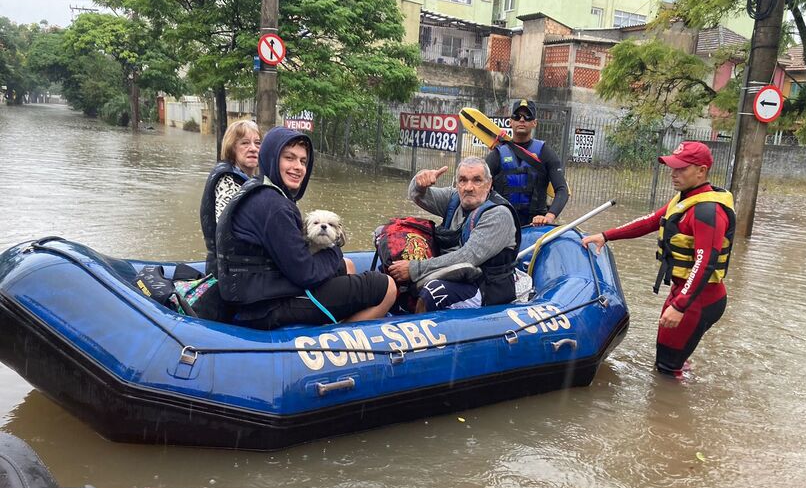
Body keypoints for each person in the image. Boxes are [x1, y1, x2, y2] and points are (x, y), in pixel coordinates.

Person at [214, 127, 396, 329]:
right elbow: (306, 274)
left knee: (348, 265)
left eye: (303, 161)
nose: (298, 167)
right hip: (265, 307)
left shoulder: (257, 188)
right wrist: (334, 248)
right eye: (289, 158)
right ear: (272, 158)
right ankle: (339, 341)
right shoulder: (274, 206)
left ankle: (341, 316)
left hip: (254, 293)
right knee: (387, 286)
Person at [581, 141, 735, 378]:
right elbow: (650, 221)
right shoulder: (685, 199)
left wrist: (680, 306)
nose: (673, 174)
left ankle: (673, 409)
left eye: (681, 168)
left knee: (666, 370)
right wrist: (606, 235)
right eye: (673, 167)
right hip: (684, 293)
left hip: (699, 300)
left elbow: (705, 263)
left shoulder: (708, 211)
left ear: (701, 171)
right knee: (668, 359)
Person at [387, 157, 521, 312]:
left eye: (477, 180)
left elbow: (467, 256)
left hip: (485, 287)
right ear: (457, 184)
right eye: (463, 180)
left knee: (434, 291)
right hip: (453, 276)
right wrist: (419, 182)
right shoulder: (454, 199)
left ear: (489, 184)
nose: (469, 187)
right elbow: (416, 195)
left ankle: (418, 331)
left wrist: (415, 269)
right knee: (392, 271)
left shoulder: (498, 214)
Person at [486, 99, 568, 227]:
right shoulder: (497, 154)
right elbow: (480, 188)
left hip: (535, 225)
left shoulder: (545, 153)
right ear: (510, 122)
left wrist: (549, 216)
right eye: (517, 116)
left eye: (527, 116)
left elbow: (562, 190)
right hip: (502, 223)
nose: (522, 120)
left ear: (534, 123)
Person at [200, 119, 263, 274]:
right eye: (245, 143)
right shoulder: (227, 180)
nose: (253, 148)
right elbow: (227, 228)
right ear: (232, 147)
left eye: (257, 143)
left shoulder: (245, 178)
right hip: (228, 270)